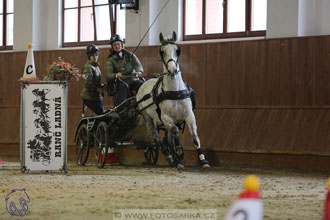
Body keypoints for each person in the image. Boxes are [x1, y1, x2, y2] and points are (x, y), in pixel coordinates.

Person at [105, 34, 144, 106]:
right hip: (121, 82)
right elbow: (108, 75)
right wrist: (115, 75)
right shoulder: (110, 60)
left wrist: (139, 71)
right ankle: (121, 107)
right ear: (112, 47)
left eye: (118, 44)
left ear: (122, 44)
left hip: (133, 80)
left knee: (141, 84)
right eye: (114, 45)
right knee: (123, 86)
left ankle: (143, 103)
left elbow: (138, 65)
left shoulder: (130, 55)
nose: (117, 46)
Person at [81, 45, 104, 115]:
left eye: (96, 55)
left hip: (95, 96)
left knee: (103, 113)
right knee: (101, 114)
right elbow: (87, 83)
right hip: (89, 97)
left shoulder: (96, 66)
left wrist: (101, 85)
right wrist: (97, 88)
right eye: (92, 55)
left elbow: (96, 82)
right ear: (89, 56)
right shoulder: (88, 67)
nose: (95, 57)